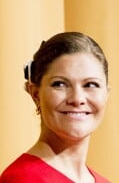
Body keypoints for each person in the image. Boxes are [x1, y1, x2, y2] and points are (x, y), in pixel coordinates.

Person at [0, 32, 111, 183]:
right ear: (35, 94)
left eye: (91, 85)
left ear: (106, 93)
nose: (77, 99)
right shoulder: (22, 178)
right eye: (60, 84)